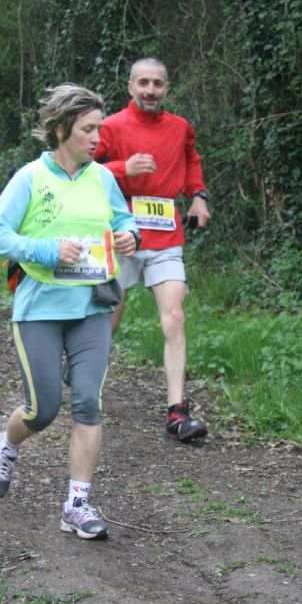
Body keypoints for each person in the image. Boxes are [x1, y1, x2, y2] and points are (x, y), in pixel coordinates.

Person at [0, 84, 139, 540]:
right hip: (39, 308)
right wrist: (47, 249)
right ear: (61, 128)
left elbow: (121, 220)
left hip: (92, 305)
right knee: (43, 409)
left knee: (88, 400)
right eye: (89, 129)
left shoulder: (102, 178)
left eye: (100, 129)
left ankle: (78, 504)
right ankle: (7, 446)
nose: (97, 138)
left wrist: (130, 236)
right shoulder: (31, 177)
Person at [93, 57, 211, 443]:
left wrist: (197, 197)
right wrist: (125, 167)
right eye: (143, 83)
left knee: (174, 316)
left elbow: (191, 161)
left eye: (157, 84)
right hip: (120, 234)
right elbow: (84, 171)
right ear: (130, 87)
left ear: (166, 89)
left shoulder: (180, 128)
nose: (150, 90)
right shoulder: (110, 126)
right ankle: (87, 382)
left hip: (165, 235)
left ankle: (177, 412)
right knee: (109, 315)